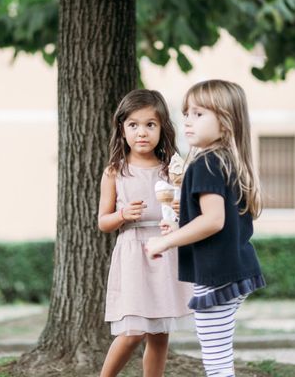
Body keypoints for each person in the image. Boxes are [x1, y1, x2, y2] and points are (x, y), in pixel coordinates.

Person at [146, 80, 266, 377]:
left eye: (199, 114)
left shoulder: (206, 164)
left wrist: (167, 241)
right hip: (233, 270)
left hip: (217, 275)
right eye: (187, 113)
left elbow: (213, 221)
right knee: (219, 354)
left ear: (226, 123)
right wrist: (179, 222)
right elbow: (216, 218)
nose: (188, 120)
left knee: (216, 360)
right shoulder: (225, 161)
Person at [98, 89, 193, 377]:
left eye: (150, 125)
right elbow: (103, 221)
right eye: (134, 125)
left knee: (160, 332)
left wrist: (181, 209)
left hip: (165, 249)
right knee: (134, 330)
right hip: (133, 252)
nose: (142, 132)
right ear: (122, 128)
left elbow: (190, 216)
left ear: (162, 127)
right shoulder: (115, 171)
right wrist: (123, 214)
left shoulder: (173, 169)